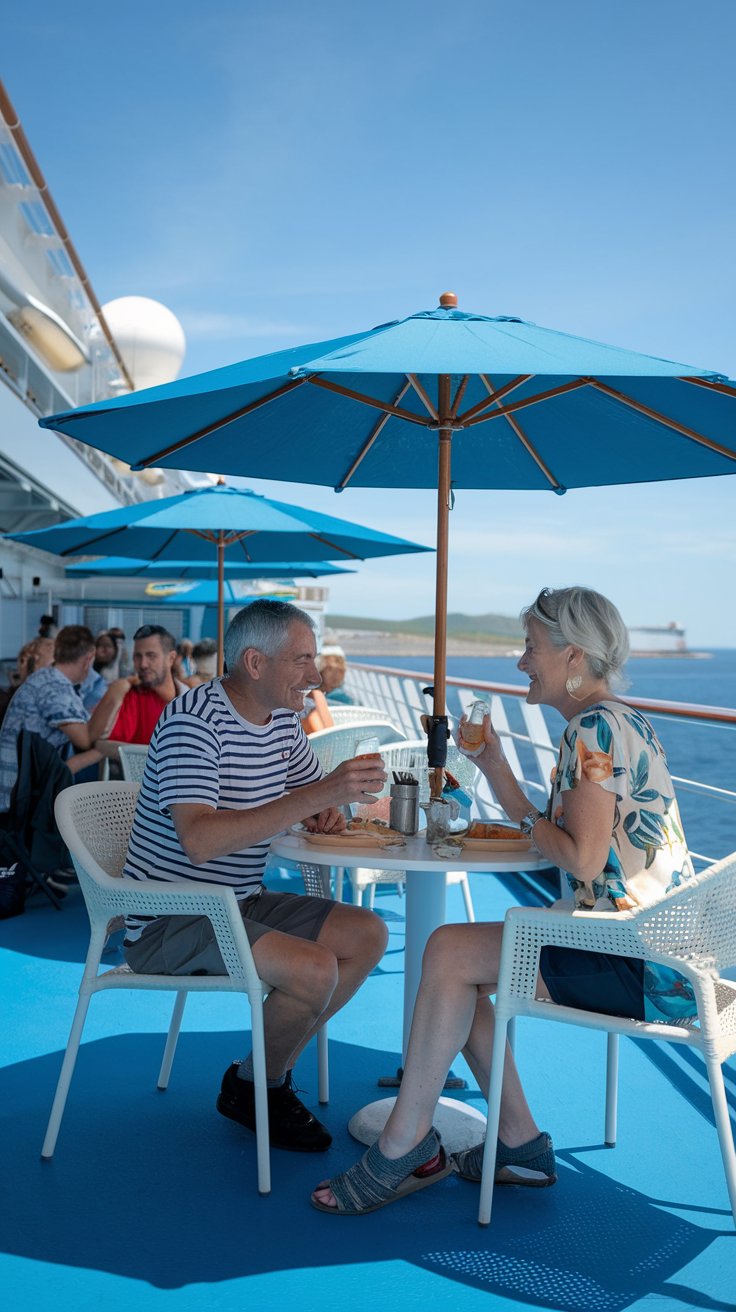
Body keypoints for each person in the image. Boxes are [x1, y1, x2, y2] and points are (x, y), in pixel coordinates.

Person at [311, 586, 695, 1215]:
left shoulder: (589, 731)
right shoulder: (627, 720)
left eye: (530, 647)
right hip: (661, 947)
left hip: (633, 961)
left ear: (573, 657)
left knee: (448, 952)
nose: (521, 661)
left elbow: (581, 859)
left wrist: (508, 794)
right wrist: (493, 769)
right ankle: (517, 1142)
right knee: (456, 968)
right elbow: (590, 848)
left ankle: (402, 1145)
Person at [121, 598, 388, 1152]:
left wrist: (327, 807)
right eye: (302, 661)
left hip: (239, 899)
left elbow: (310, 803)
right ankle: (261, 1087)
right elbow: (201, 840)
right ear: (255, 663)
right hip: (171, 916)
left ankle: (256, 1078)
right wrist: (319, 793)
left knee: (368, 934)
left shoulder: (282, 722)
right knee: (314, 971)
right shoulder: (194, 723)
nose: (316, 678)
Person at [0, 626, 131, 812]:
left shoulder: (53, 682)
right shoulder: (53, 688)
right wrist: (116, 692)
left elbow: (90, 729)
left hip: (26, 793)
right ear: (88, 659)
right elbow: (86, 739)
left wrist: (108, 744)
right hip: (18, 803)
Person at [96, 624, 188, 762]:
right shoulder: (132, 696)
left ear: (171, 658)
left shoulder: (192, 701)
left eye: (151, 656)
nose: (143, 664)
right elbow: (104, 746)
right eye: (138, 656)